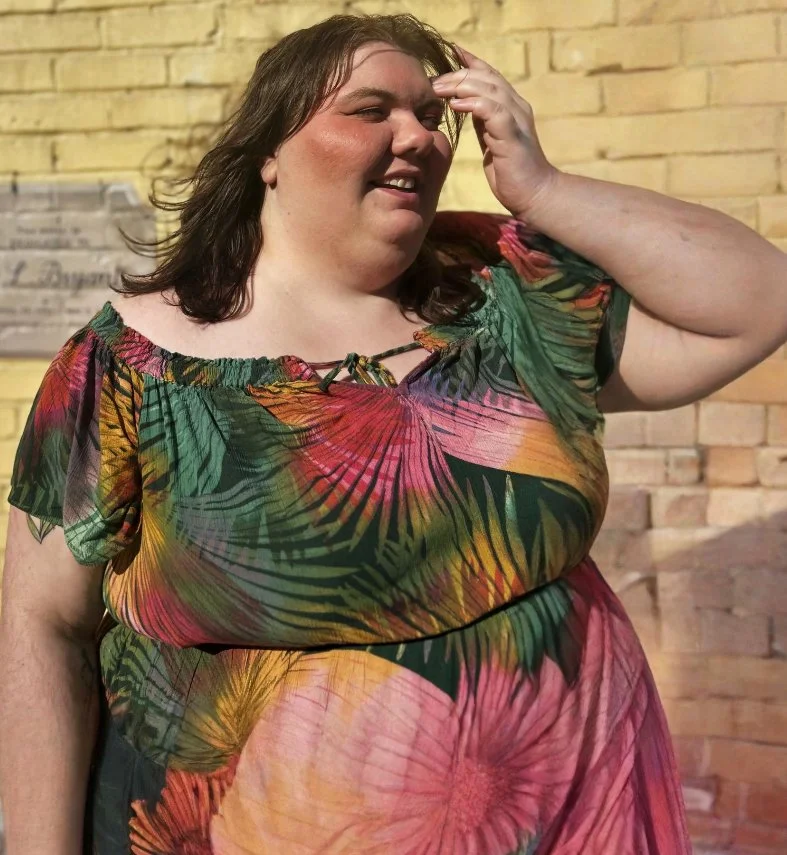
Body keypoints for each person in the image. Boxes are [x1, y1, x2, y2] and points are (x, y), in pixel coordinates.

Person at [1, 10, 785, 854]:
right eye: (371, 109)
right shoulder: (128, 365)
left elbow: (757, 300)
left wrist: (547, 189)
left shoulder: (503, 298)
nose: (417, 135)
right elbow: (43, 626)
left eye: (432, 115)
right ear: (268, 151)